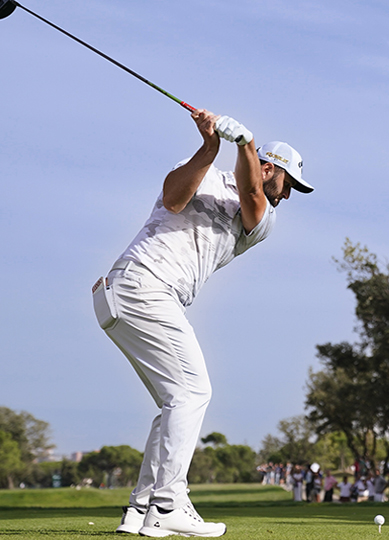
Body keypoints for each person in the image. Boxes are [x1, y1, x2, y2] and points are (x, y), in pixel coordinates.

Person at [102, 110, 312, 537]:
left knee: (175, 402)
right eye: (288, 183)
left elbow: (253, 193)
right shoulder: (207, 171)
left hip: (144, 295)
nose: (288, 195)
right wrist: (212, 146)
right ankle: (168, 503)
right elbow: (174, 198)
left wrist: (244, 144)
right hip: (138, 284)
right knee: (193, 392)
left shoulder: (263, 219)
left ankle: (141, 510)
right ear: (271, 168)